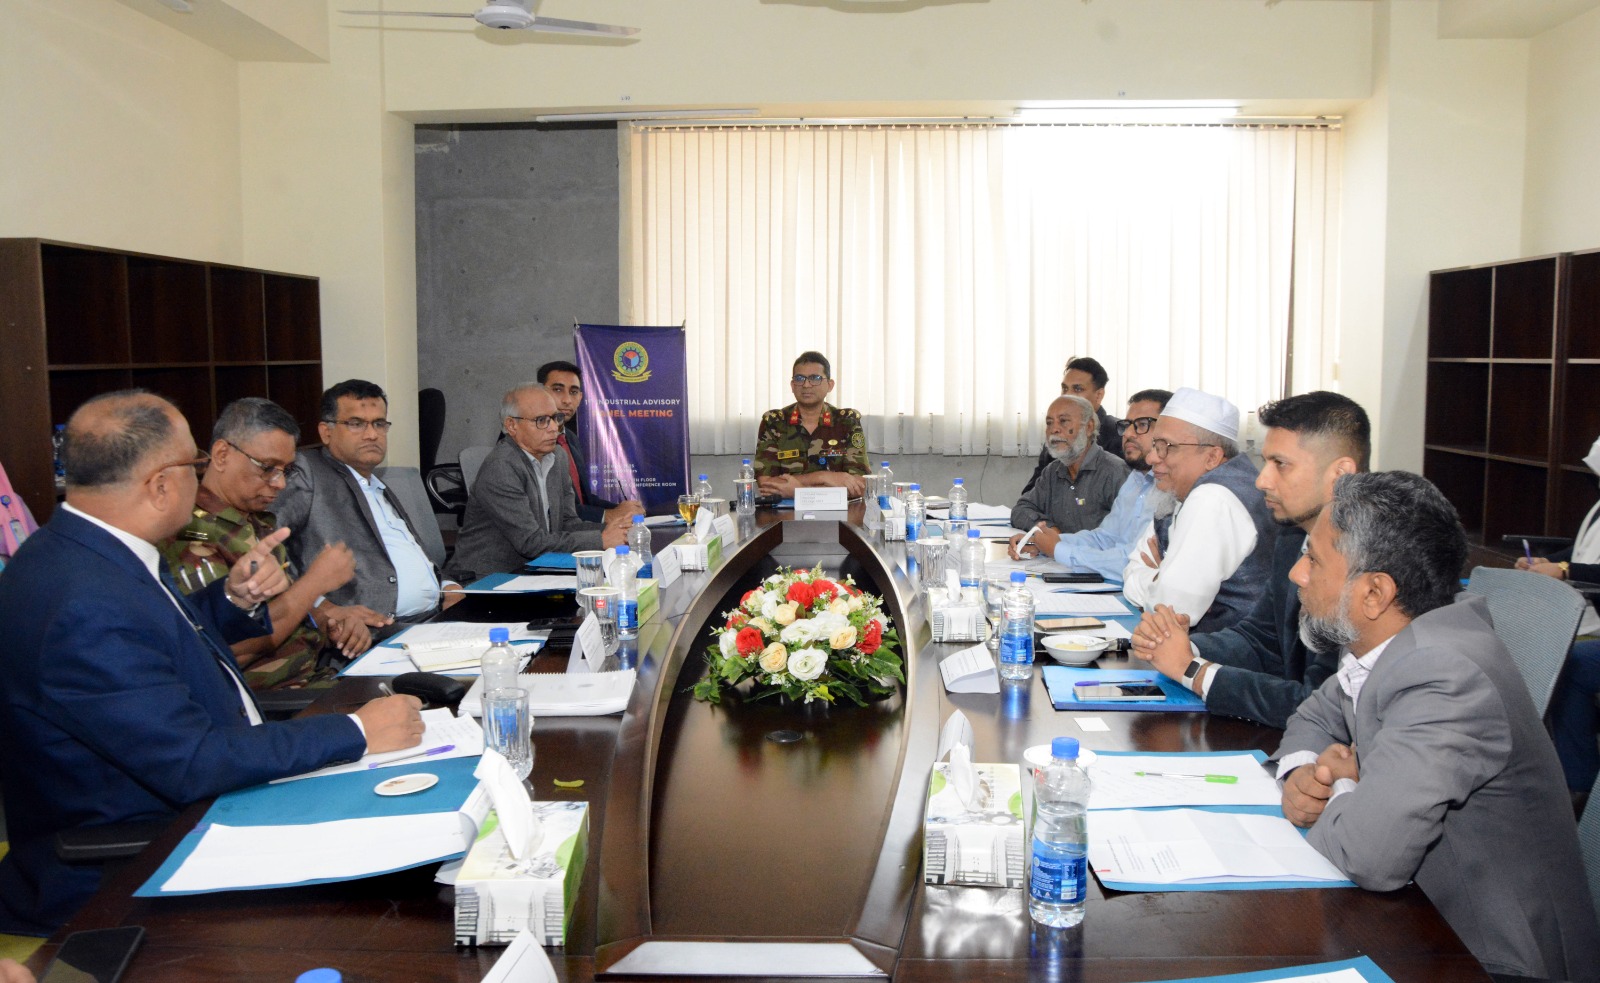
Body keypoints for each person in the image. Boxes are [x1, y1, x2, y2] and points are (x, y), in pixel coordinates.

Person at [0, 391, 424, 936]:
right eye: (194, 463)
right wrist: (356, 732)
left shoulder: (80, 552)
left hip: (202, 803)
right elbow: (191, 762)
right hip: (139, 867)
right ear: (160, 484)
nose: (201, 475)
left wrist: (231, 600)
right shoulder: (84, 604)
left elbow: (154, 640)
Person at [1276, 471, 1600, 981]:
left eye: (1313, 559)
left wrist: (1342, 785)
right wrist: (1302, 774)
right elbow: (1314, 715)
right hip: (1423, 916)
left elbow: (1368, 855)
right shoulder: (1395, 640)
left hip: (1492, 956)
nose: (1298, 574)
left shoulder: (1443, 673)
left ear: (1375, 592)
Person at [1130, 392, 1369, 728]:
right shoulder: (1294, 538)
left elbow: (1322, 704)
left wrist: (1193, 670)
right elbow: (1260, 640)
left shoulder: (1369, 560)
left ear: (1340, 473)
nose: (1261, 480)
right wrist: (1180, 646)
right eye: (1266, 462)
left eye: (1280, 464)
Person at [158, 398, 377, 692]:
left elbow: (280, 610)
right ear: (222, 455)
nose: (280, 483)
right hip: (271, 699)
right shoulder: (191, 533)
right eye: (267, 468)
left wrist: (330, 622)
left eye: (286, 470)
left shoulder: (255, 521)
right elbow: (228, 648)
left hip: (314, 677)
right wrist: (314, 583)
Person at [273, 380, 460, 623]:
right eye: (356, 424)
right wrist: (320, 607)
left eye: (379, 424)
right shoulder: (307, 472)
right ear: (326, 432)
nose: (372, 435)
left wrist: (448, 585)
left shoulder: (376, 485)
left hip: (436, 616)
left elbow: (412, 556)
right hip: (376, 630)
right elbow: (265, 545)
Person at [1121, 387, 1275, 632]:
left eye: (1166, 447)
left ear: (1212, 457)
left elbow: (1169, 610)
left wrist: (1159, 578)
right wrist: (1159, 580)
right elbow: (1131, 569)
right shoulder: (1179, 491)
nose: (1151, 458)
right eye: (1154, 446)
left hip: (1226, 651)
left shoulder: (1213, 498)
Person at [445, 384, 628, 580]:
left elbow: (568, 523)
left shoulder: (557, 457)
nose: (554, 428)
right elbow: (530, 543)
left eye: (556, 418)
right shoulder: (501, 467)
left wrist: (617, 532)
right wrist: (600, 539)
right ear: (512, 426)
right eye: (541, 420)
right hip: (489, 578)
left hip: (536, 571)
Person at [1518, 432, 1600, 808]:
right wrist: (1547, 562)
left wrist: (1565, 570)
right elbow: (1581, 550)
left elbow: (1582, 566)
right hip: (1580, 614)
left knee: (1573, 666)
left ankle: (1578, 783)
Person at [1011, 389, 1171, 579]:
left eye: (1142, 425)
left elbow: (1131, 560)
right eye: (1127, 425)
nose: (1128, 433)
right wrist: (1044, 541)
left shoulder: (1168, 488)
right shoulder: (1136, 480)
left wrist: (1058, 549)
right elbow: (1105, 538)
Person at [1008, 395, 1129, 546]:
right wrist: (1049, 530)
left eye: (1063, 421)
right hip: (1055, 559)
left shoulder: (1115, 472)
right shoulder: (1053, 471)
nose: (1054, 430)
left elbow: (1126, 536)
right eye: (1049, 423)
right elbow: (1021, 510)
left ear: (1089, 427)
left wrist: (1062, 543)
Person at [536, 359, 643, 525]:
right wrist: (606, 515)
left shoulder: (571, 438)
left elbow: (583, 499)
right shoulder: (532, 441)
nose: (567, 400)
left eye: (573, 392)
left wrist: (622, 509)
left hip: (581, 531)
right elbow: (550, 508)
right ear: (539, 393)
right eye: (557, 390)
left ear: (580, 397)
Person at [754, 351, 870, 499]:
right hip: (785, 512)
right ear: (792, 385)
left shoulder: (847, 422)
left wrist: (797, 491)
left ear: (830, 385)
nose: (806, 385)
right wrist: (823, 477)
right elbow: (766, 484)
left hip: (835, 510)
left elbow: (859, 485)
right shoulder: (774, 422)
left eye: (815, 378)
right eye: (799, 378)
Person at [1021, 356, 1122, 494]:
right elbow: (1031, 492)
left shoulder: (1117, 434)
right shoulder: (1057, 432)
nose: (1067, 395)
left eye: (1077, 389)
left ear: (1098, 395)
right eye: (1064, 388)